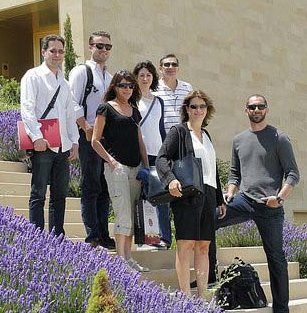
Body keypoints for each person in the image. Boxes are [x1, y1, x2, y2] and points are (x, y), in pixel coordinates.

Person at [209, 94, 300, 313]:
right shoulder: (239, 140)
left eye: (260, 106)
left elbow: (292, 174)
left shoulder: (279, 138)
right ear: (246, 110)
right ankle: (208, 276)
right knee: (207, 220)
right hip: (244, 200)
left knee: (276, 259)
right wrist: (229, 192)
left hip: (270, 206)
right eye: (252, 106)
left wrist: (279, 198)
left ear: (266, 110)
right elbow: (235, 174)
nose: (256, 109)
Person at [156, 90, 226, 298]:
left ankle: (202, 295)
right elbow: (161, 158)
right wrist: (170, 179)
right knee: (186, 244)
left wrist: (220, 199)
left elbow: (211, 168)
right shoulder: (178, 131)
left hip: (209, 193)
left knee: (204, 246)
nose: (198, 110)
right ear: (187, 109)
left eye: (202, 106)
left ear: (207, 110)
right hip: (187, 194)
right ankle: (186, 296)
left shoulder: (207, 135)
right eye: (193, 106)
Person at [20, 34, 79, 237]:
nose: (57, 54)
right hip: (43, 143)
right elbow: (27, 108)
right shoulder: (33, 76)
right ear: (43, 52)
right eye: (52, 50)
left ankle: (57, 238)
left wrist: (74, 140)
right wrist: (36, 136)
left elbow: (70, 113)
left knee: (60, 195)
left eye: (60, 51)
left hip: (62, 144)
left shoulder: (65, 81)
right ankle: (36, 238)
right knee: (38, 194)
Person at [91, 70, 150, 272]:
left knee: (133, 215)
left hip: (136, 168)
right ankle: (121, 261)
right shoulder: (105, 109)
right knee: (123, 213)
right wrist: (111, 161)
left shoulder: (134, 110)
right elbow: (95, 141)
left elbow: (140, 141)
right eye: (123, 85)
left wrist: (146, 167)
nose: (127, 89)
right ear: (115, 86)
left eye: (131, 86)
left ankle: (129, 257)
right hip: (117, 168)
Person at [68, 31, 114, 249]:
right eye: (99, 46)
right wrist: (85, 127)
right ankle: (92, 236)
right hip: (88, 136)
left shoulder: (110, 77)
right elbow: (72, 103)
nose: (103, 50)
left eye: (107, 47)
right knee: (91, 185)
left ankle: (104, 234)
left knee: (105, 188)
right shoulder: (82, 72)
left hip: (106, 139)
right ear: (90, 47)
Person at [132, 60, 171, 249]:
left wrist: (167, 153)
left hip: (158, 154)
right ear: (136, 78)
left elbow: (160, 128)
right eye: (141, 75)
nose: (145, 78)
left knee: (161, 197)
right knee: (142, 196)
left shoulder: (159, 101)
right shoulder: (132, 100)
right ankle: (146, 238)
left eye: (148, 75)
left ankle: (164, 238)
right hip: (140, 154)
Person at [153, 53, 192, 134]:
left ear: (178, 69)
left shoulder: (187, 88)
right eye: (167, 64)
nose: (171, 67)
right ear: (160, 69)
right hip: (161, 138)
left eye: (174, 64)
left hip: (183, 137)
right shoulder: (153, 88)